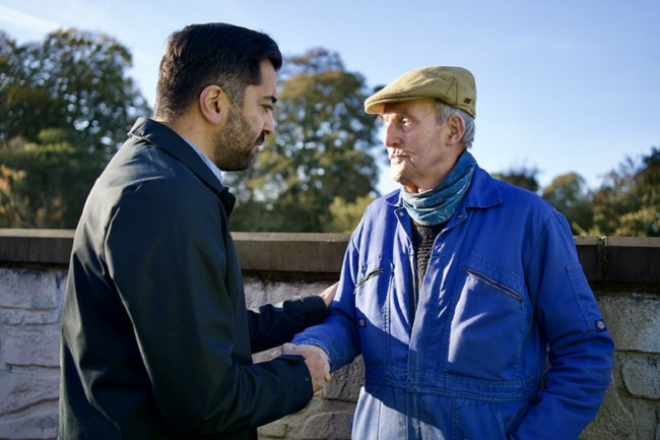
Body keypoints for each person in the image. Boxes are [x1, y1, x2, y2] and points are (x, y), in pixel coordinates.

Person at [291, 66, 614, 439]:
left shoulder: (529, 220)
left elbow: (585, 352)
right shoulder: (375, 218)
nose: (388, 138)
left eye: (405, 122)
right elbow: (348, 317)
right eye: (386, 123)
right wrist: (317, 348)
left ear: (454, 131)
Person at [58, 23, 335, 440]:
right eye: (265, 105)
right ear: (215, 103)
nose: (270, 124)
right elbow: (209, 404)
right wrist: (303, 375)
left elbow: (196, 329)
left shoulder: (149, 172)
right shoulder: (163, 197)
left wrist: (313, 308)